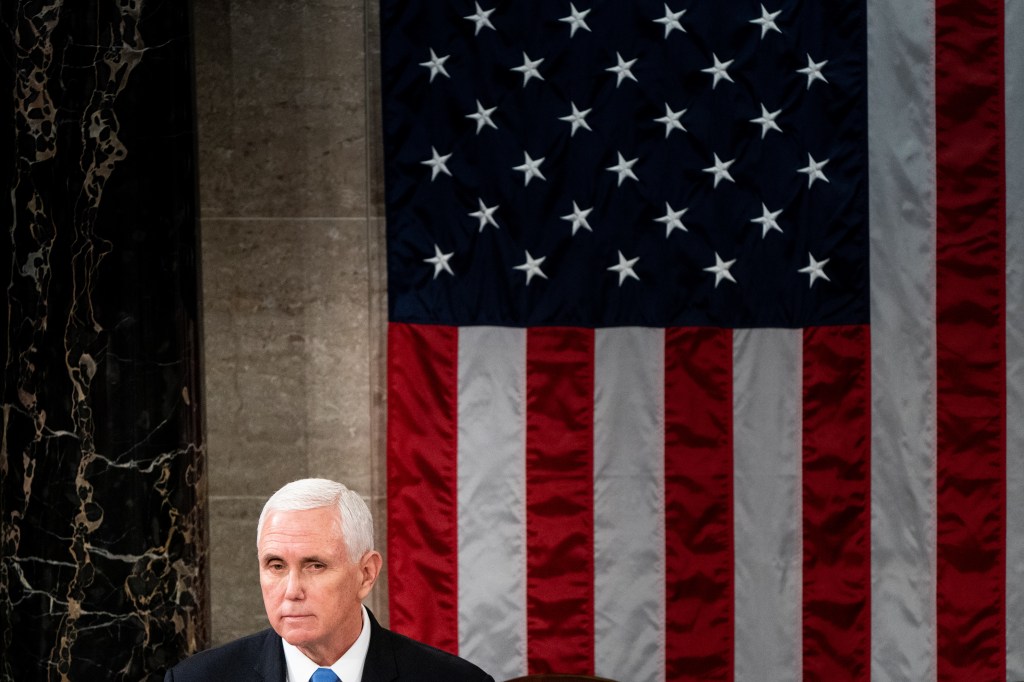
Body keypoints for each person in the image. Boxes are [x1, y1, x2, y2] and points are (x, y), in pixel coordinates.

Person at [165, 478, 495, 682]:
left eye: (315, 566)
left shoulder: (453, 679)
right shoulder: (197, 678)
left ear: (366, 574)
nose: (291, 591)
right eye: (276, 566)